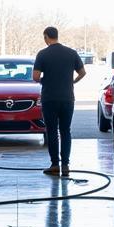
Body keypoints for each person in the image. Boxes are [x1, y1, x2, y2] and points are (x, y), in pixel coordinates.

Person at [32, 26, 86, 177]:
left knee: (52, 131)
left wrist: (45, 80)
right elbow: (82, 72)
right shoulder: (71, 53)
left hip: (49, 98)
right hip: (67, 98)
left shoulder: (42, 54)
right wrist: (72, 82)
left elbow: (35, 77)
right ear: (57, 36)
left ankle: (55, 165)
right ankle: (66, 165)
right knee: (65, 131)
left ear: (46, 37)